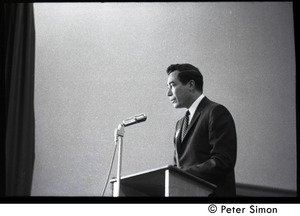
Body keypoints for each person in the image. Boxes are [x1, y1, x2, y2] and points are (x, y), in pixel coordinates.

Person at [166, 63, 237, 197]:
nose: (168, 93)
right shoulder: (179, 124)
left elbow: (222, 161)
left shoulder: (216, 112)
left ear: (191, 85)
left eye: (172, 85)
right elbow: (179, 165)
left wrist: (182, 175)